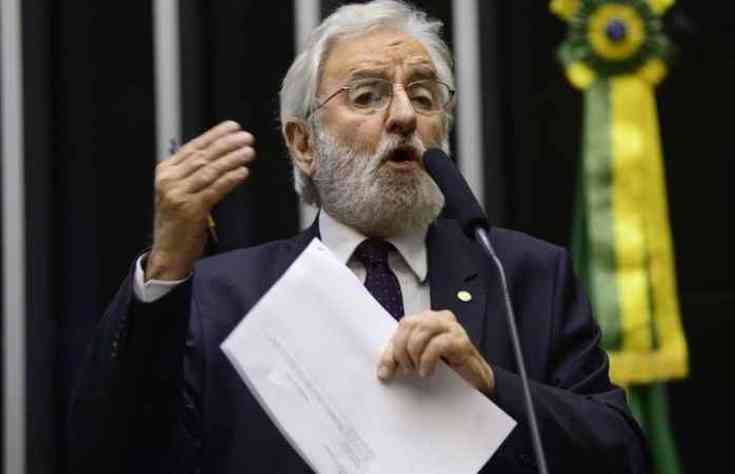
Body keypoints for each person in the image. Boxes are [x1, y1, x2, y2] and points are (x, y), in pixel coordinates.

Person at [68, 1, 648, 472]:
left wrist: (491, 385)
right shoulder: (224, 296)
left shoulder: (522, 273)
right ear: (303, 145)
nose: (403, 116)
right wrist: (168, 262)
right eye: (368, 95)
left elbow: (622, 454)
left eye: (424, 96)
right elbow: (109, 450)